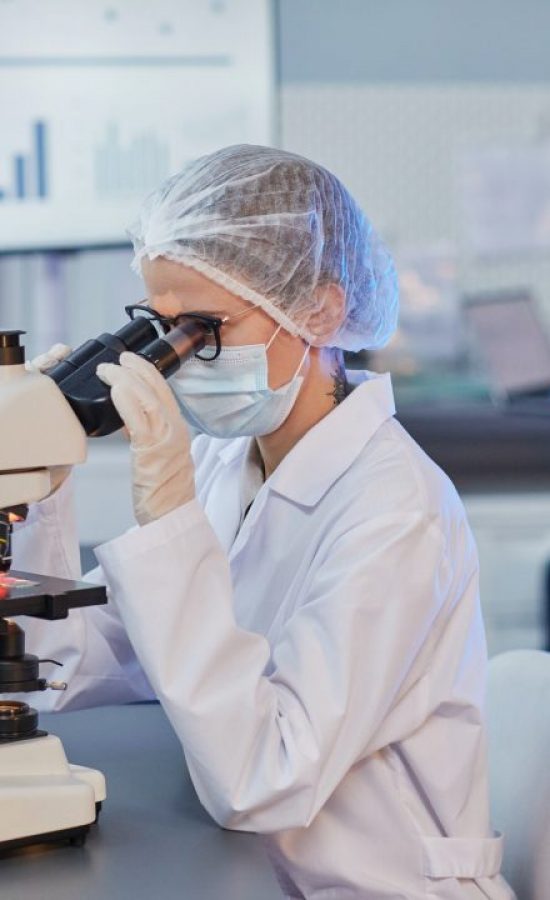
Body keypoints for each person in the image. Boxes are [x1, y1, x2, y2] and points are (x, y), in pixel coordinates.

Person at [13, 145, 514, 899]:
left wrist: (169, 519)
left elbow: (263, 778)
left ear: (319, 311)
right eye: (161, 324)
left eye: (204, 326)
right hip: (256, 872)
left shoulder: (396, 512)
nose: (178, 356)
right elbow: (69, 658)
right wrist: (41, 472)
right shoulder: (228, 462)